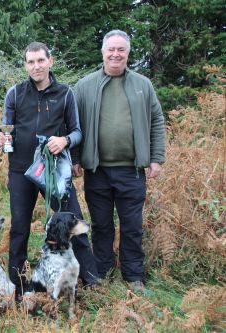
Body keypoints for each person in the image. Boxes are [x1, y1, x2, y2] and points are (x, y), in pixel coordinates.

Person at [0, 42, 99, 300]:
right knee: (19, 228)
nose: (36, 66)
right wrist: (3, 140)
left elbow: (77, 132)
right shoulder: (15, 94)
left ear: (50, 61)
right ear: (25, 65)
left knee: (73, 220)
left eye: (40, 60)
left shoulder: (65, 94)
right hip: (21, 171)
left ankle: (91, 280)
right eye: (30, 62)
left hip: (53, 170)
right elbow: (7, 130)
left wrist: (64, 140)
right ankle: (17, 287)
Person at [73, 30, 166, 291]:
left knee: (132, 226)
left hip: (132, 170)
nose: (115, 54)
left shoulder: (142, 85)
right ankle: (100, 274)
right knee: (101, 225)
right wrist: (76, 159)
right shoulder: (84, 85)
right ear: (102, 52)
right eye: (111, 49)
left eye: (121, 50)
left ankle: (133, 276)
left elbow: (157, 120)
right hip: (97, 171)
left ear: (128, 53)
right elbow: (74, 124)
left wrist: (156, 158)